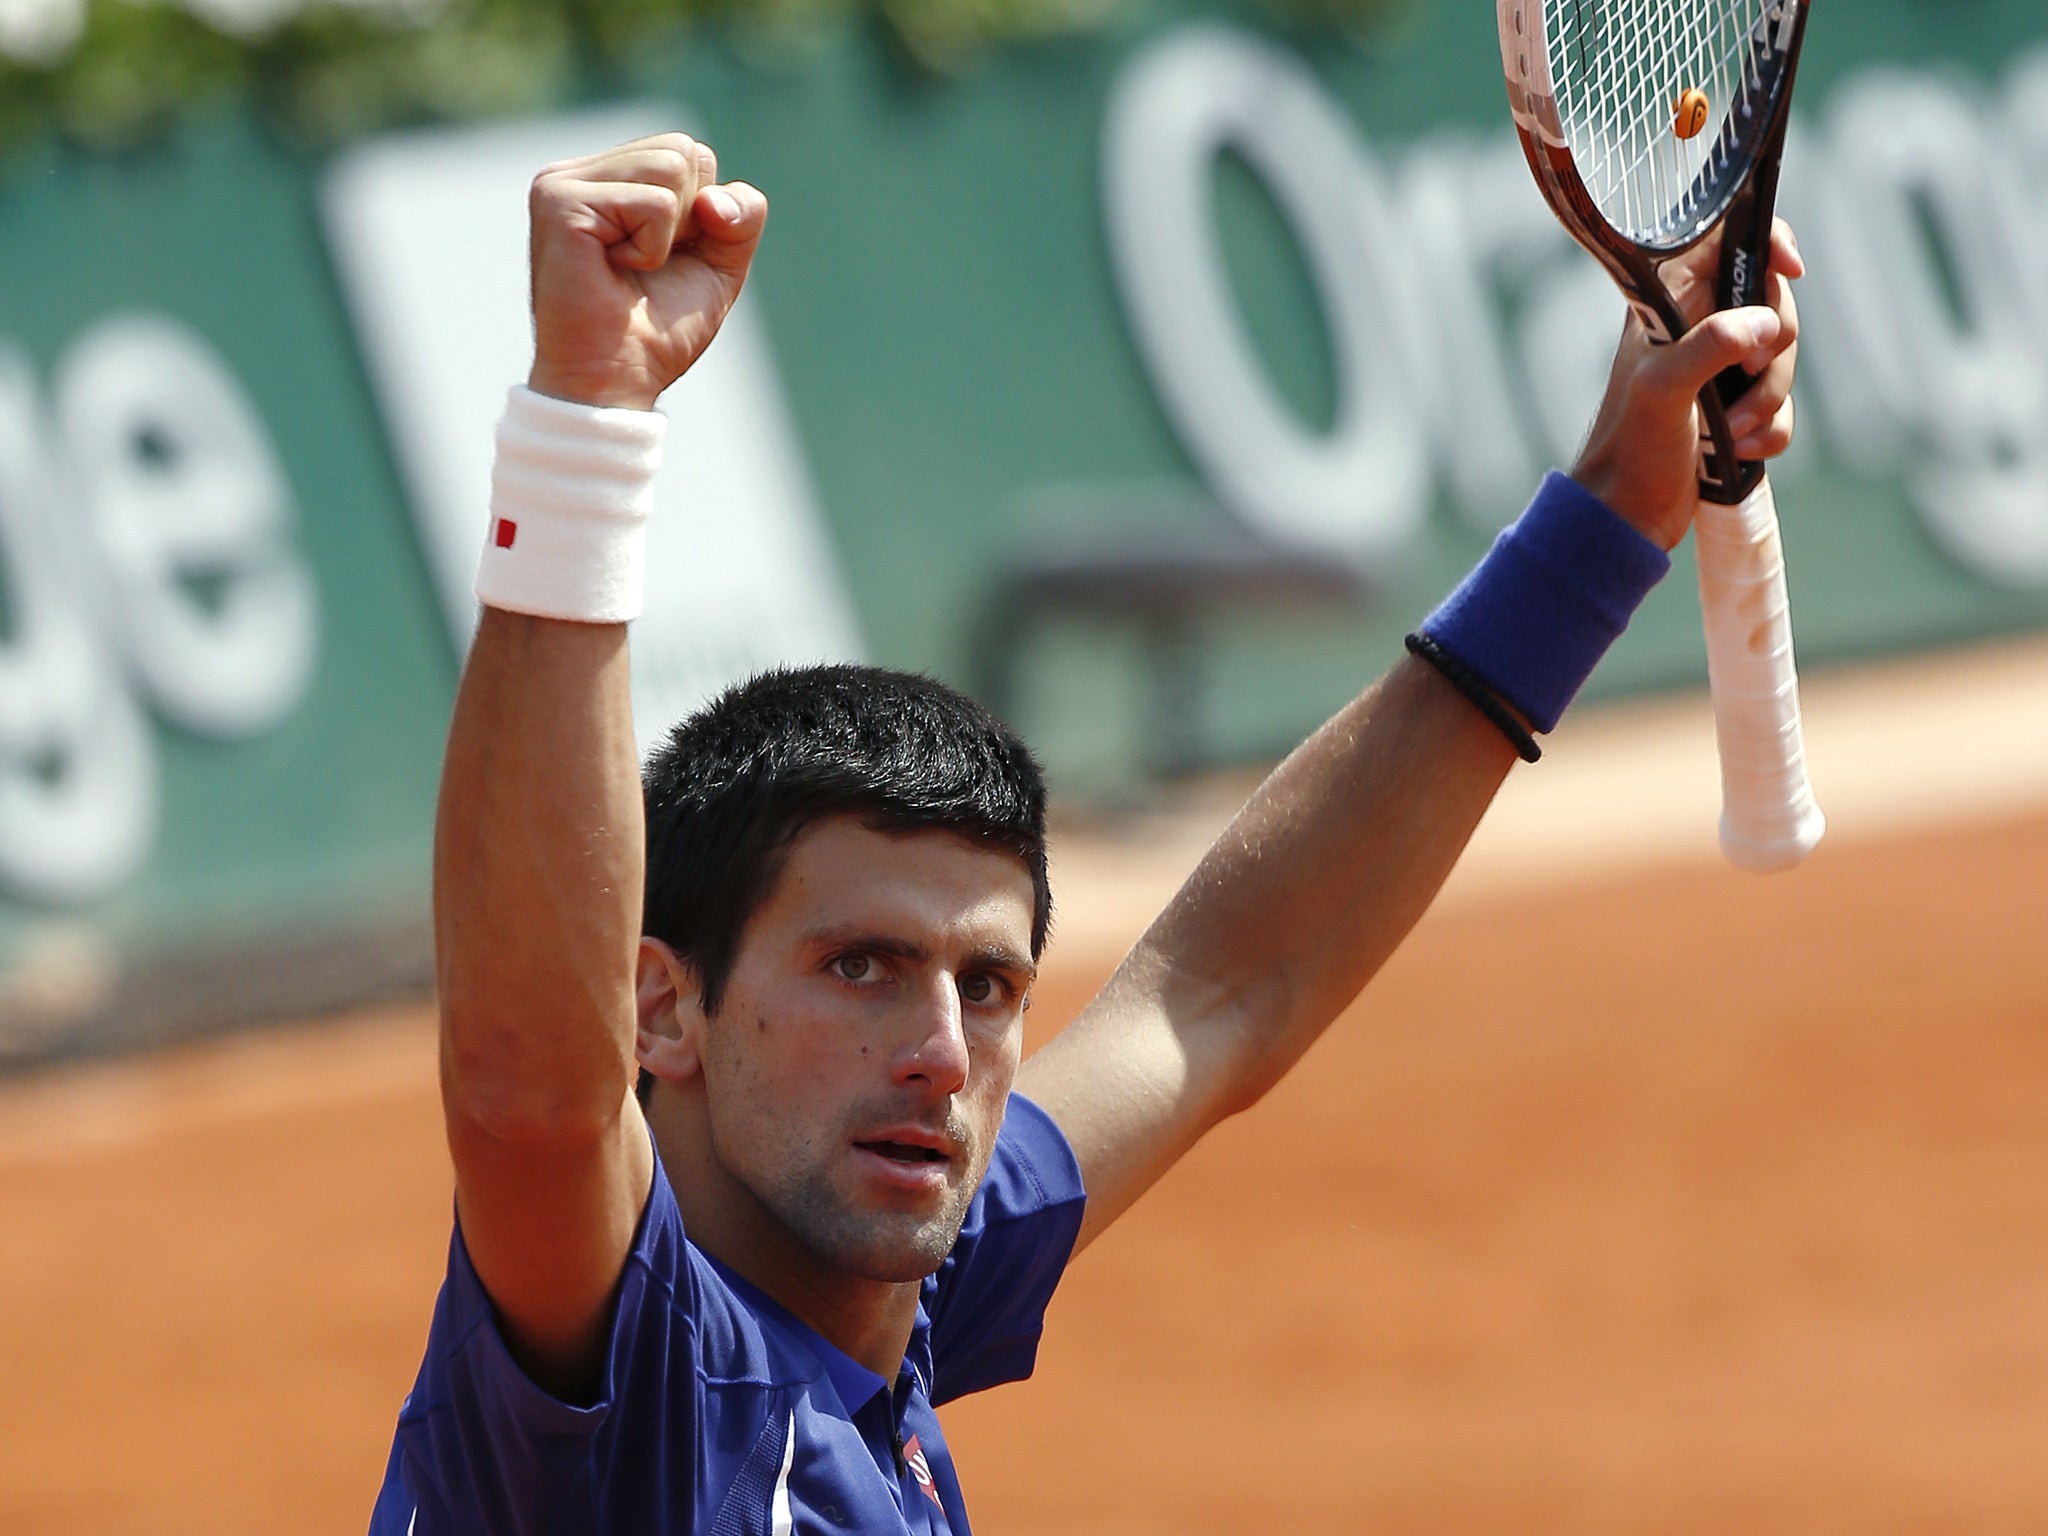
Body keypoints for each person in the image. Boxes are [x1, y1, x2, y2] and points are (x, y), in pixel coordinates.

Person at [369, 132, 1803, 1534]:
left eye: (987, 985)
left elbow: (1223, 990)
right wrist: (583, 425)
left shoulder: (885, 1258)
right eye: (860, 966)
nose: (940, 1051)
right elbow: (529, 1099)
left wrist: (1616, 510)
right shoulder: (645, 1383)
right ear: (662, 1010)